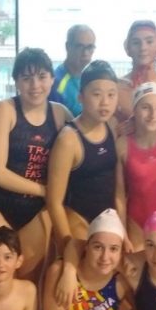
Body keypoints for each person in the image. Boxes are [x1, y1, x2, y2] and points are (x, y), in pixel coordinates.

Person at [0, 48, 72, 282]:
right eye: (27, 78)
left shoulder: (60, 114)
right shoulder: (6, 110)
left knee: (29, 279)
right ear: (16, 81)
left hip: (37, 211)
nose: (35, 85)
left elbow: (89, 134)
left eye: (42, 77)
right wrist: (45, 191)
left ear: (52, 79)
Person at [47, 60, 119, 253]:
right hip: (77, 219)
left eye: (111, 94)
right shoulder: (68, 139)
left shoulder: (112, 126)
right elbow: (54, 201)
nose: (105, 102)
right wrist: (66, 245)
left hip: (108, 222)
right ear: (81, 97)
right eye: (96, 94)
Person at [115, 82, 156, 250]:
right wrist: (122, 232)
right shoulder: (122, 145)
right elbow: (119, 195)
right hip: (137, 224)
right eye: (145, 107)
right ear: (134, 110)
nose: (153, 115)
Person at [116, 20, 156, 122]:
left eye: (149, 42)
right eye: (136, 43)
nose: (143, 48)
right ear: (127, 47)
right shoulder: (116, 88)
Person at [49, 24, 96, 117]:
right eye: (80, 47)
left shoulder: (94, 78)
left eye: (90, 47)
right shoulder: (56, 83)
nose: (85, 53)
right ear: (67, 47)